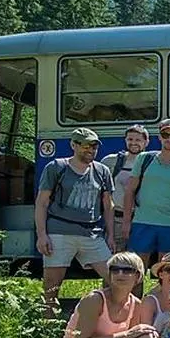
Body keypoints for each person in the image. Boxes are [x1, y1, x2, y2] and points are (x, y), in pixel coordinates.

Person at [35, 127, 116, 317]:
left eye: (94, 146)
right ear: (73, 145)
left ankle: (109, 319)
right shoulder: (56, 167)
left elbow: (108, 204)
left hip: (92, 233)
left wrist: (110, 234)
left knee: (115, 277)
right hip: (59, 232)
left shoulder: (102, 170)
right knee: (51, 286)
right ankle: (47, 328)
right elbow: (42, 202)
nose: (91, 149)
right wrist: (41, 235)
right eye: (86, 145)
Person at [123, 119, 170, 272]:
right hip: (142, 222)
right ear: (160, 137)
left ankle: (162, 297)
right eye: (165, 134)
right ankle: (136, 297)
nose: (169, 138)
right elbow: (130, 191)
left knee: (168, 270)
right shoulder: (144, 159)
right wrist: (126, 222)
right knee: (137, 269)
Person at [99, 124, 148, 253]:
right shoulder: (111, 161)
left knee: (137, 259)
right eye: (130, 139)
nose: (133, 143)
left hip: (140, 220)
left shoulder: (150, 163)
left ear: (146, 142)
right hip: (116, 220)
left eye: (138, 140)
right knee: (115, 258)